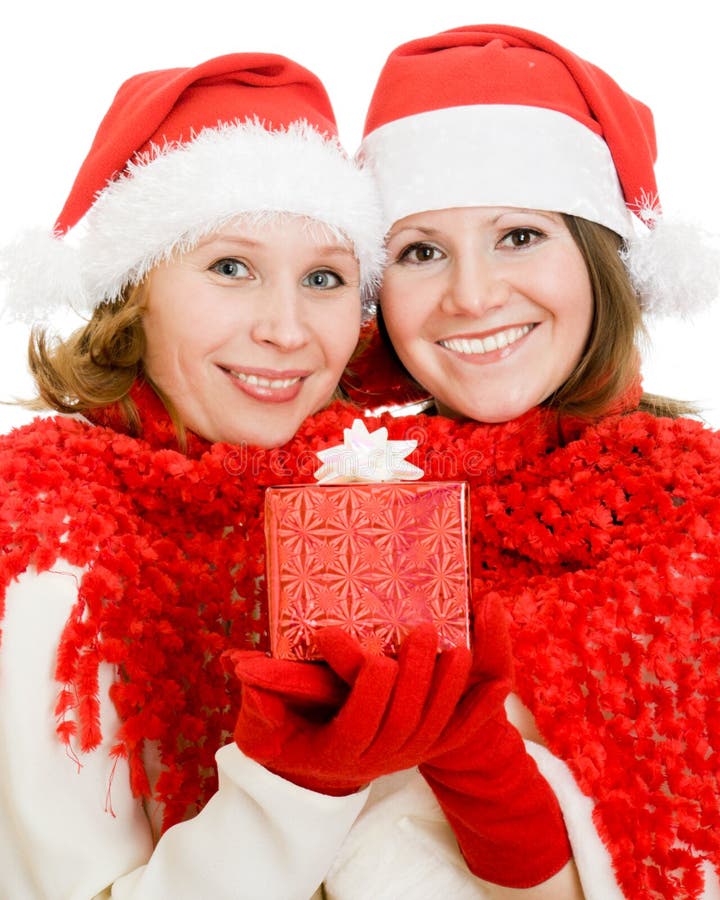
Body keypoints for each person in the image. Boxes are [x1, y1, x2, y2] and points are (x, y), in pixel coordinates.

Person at [0, 51, 394, 898]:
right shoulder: (51, 544)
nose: (288, 330)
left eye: (324, 277)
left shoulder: (358, 506)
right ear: (132, 291)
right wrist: (299, 782)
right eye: (230, 267)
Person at [346, 23, 720, 900]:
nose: (471, 295)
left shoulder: (703, 515)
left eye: (518, 235)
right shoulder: (349, 512)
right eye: (420, 251)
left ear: (601, 260)